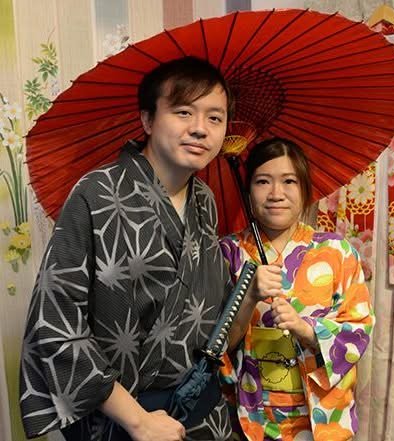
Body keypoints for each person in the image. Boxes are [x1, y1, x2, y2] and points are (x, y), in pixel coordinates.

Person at [20, 56, 236, 441]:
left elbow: (205, 314)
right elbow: (55, 321)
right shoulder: (96, 193)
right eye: (184, 112)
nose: (200, 128)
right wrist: (139, 421)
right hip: (123, 420)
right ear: (148, 120)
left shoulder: (205, 200)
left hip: (200, 417)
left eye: (215, 117)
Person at [220, 137, 375, 441]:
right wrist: (249, 297)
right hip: (251, 414)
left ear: (305, 189)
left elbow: (358, 329)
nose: (276, 193)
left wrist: (305, 329)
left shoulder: (337, 252)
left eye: (289, 181)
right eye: (263, 181)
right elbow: (217, 344)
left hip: (319, 415)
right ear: (248, 191)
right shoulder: (228, 253)